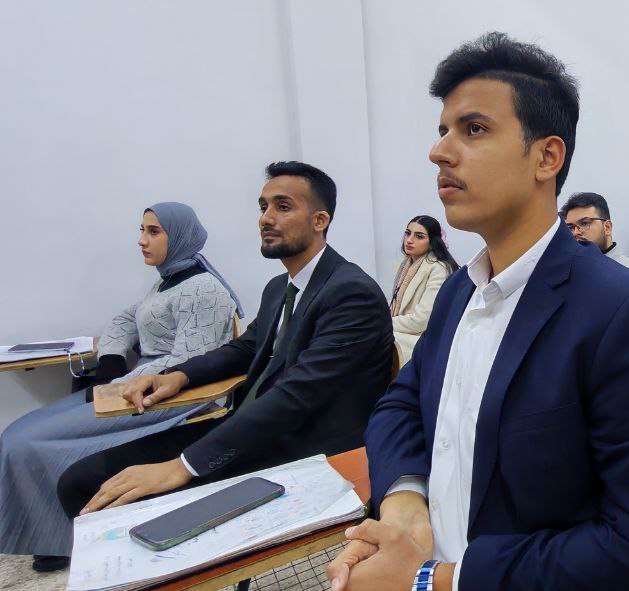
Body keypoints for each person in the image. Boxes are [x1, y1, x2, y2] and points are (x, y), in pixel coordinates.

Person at [327, 32, 629, 591]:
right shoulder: (460, 291)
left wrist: (433, 580)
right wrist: (404, 503)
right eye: (442, 130)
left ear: (546, 157)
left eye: (474, 129)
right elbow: (401, 402)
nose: (439, 152)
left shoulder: (625, 312)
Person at [56, 162, 394, 535]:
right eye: (263, 207)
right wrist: (176, 376)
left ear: (319, 220)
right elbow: (245, 349)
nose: (266, 218)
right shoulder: (280, 287)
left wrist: (182, 466)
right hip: (251, 427)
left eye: (283, 207)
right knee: (80, 479)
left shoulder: (351, 293)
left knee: (96, 491)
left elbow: (297, 396)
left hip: (305, 448)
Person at [0, 202, 240, 572]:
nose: (142, 240)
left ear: (179, 236)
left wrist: (119, 384)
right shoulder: (169, 279)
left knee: (24, 441)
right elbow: (126, 318)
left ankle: (63, 539)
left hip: (166, 397)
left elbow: (188, 362)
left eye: (153, 231)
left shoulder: (202, 289)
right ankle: (57, 533)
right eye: (142, 230)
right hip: (133, 387)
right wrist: (111, 361)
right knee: (18, 433)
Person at [391, 215, 459, 367]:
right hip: (404, 331)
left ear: (432, 241)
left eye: (419, 236)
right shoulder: (407, 263)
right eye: (408, 233)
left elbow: (421, 320)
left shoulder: (438, 268)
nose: (409, 240)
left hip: (423, 338)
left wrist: (383, 323)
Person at [559, 191, 629, 276]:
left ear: (607, 227)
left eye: (584, 223)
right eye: (570, 227)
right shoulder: (568, 271)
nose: (575, 232)